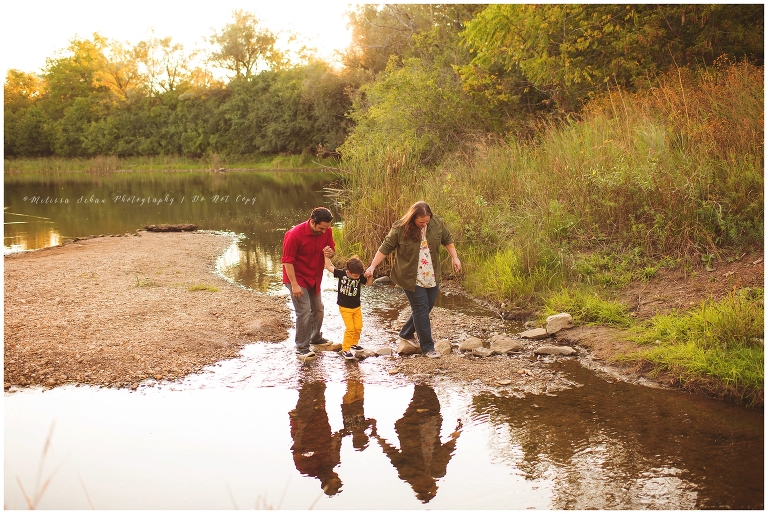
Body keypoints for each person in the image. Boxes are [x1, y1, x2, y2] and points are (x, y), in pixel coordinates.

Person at [364, 201, 461, 358]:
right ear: (412, 218)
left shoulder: (436, 223)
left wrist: (455, 258)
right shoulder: (400, 228)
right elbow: (385, 247)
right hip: (410, 276)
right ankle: (428, 347)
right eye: (420, 222)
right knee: (421, 309)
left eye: (426, 222)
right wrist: (372, 267)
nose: (424, 224)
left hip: (432, 274)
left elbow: (447, 239)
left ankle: (406, 332)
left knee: (426, 307)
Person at [374, 385, 461, 502]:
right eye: (433, 483)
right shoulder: (436, 470)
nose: (432, 481)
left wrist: (379, 439)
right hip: (425, 423)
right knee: (428, 398)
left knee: (425, 396)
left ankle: (420, 378)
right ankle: (421, 379)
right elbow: (446, 451)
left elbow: (392, 453)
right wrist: (456, 434)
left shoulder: (408, 472)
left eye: (431, 484)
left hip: (413, 426)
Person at [282, 206, 336, 359]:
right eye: (321, 228)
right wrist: (294, 284)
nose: (325, 231)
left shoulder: (327, 230)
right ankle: (302, 347)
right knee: (304, 311)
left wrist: (330, 252)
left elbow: (331, 249)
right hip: (296, 277)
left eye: (327, 228)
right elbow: (287, 262)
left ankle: (315, 338)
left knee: (318, 308)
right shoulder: (294, 235)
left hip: (314, 276)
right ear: (312, 222)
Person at [324, 253, 373, 360]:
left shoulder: (359, 276)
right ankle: (346, 349)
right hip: (345, 308)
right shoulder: (342, 274)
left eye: (359, 275)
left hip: (356, 307)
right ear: (348, 272)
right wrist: (326, 256)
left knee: (358, 327)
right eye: (355, 276)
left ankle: (354, 343)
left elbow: (368, 284)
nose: (357, 277)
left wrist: (370, 276)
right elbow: (329, 267)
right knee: (350, 328)